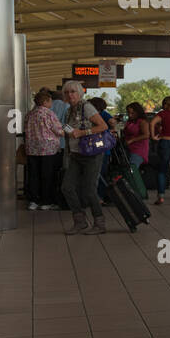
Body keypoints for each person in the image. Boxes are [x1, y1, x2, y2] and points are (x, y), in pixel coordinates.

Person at [59, 79, 110, 234]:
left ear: (80, 93)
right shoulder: (69, 110)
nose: (70, 95)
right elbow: (69, 128)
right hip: (75, 154)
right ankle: (79, 221)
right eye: (67, 92)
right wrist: (64, 131)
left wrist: (82, 132)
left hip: (91, 154)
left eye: (73, 91)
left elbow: (103, 126)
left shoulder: (86, 107)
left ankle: (99, 223)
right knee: (67, 187)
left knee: (89, 190)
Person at [24, 90, 63, 210]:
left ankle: (33, 201)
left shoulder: (30, 114)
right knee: (47, 175)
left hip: (32, 149)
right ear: (45, 101)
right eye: (50, 101)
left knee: (33, 175)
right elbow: (58, 130)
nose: (51, 103)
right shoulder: (49, 114)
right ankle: (46, 201)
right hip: (48, 149)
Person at [122, 102, 151, 173]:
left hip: (138, 150)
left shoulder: (142, 122)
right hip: (129, 149)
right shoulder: (130, 122)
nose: (130, 115)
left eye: (132, 113)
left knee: (132, 170)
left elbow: (146, 135)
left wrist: (132, 140)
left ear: (138, 112)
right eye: (128, 113)